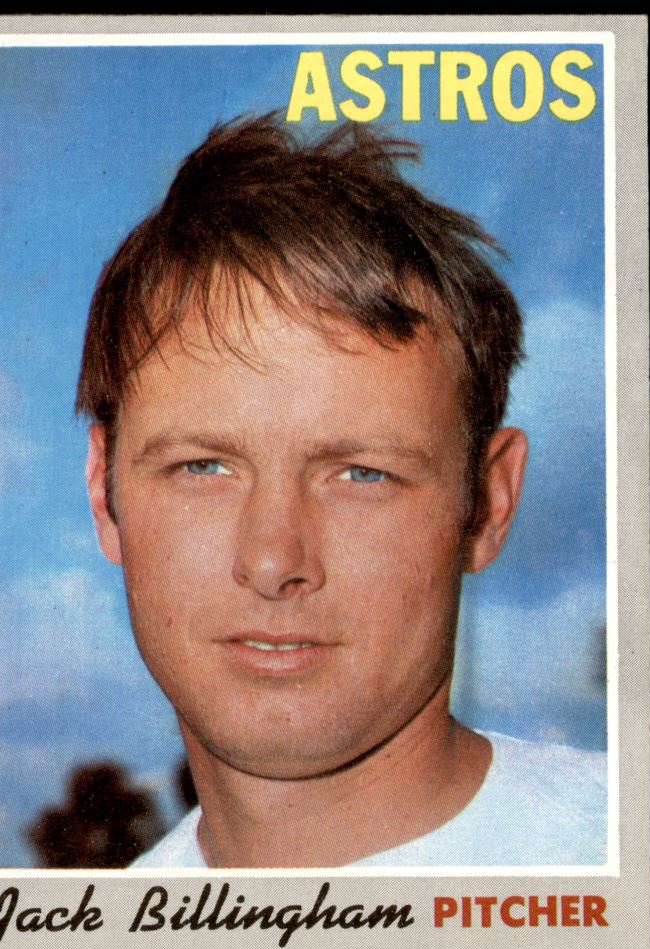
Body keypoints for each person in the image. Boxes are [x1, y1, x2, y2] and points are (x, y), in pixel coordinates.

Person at [76, 114, 606, 868]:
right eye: (203, 467)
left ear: (488, 503)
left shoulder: (614, 853)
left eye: (362, 474)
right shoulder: (96, 932)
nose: (273, 561)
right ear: (105, 494)